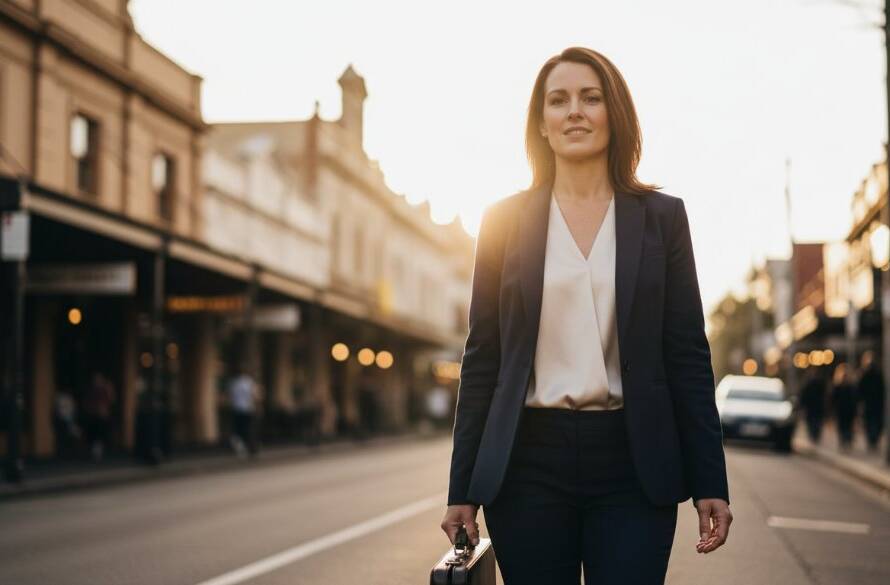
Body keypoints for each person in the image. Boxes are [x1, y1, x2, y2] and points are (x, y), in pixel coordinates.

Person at [440, 47, 731, 585]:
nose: (574, 110)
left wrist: (710, 479)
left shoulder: (662, 219)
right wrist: (462, 490)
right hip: (527, 465)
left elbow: (687, 353)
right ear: (542, 125)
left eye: (590, 98)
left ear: (613, 115)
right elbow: (483, 358)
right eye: (559, 100)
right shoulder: (503, 221)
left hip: (633, 465)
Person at [228, 366, 261, 457]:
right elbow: (255, 397)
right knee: (249, 430)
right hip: (248, 409)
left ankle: (240, 448)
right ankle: (251, 449)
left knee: (238, 430)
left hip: (237, 409)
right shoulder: (250, 383)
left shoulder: (233, 383)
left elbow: (230, 397)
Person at [82, 372, 115, 462]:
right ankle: (94, 453)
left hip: (102, 416)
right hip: (93, 415)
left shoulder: (105, 389)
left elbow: (110, 400)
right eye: (96, 379)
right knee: (93, 435)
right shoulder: (92, 391)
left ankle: (99, 454)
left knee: (101, 435)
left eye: (99, 379)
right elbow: (87, 402)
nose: (97, 381)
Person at [857, 350, 885, 452]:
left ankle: (872, 441)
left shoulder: (864, 374)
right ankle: (873, 440)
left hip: (870, 404)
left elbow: (859, 390)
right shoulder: (878, 374)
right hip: (876, 404)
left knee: (871, 423)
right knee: (874, 423)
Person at [830, 362, 857, 451]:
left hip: (848, 411)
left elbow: (855, 399)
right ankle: (844, 441)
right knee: (842, 427)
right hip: (841, 410)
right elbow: (833, 399)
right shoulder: (838, 387)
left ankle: (847, 440)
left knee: (848, 427)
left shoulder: (851, 387)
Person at [799, 367, 827, 443]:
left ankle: (815, 436)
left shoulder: (820, 383)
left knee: (816, 423)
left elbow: (825, 395)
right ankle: (813, 436)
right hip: (811, 408)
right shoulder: (808, 383)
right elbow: (803, 395)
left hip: (816, 407)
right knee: (812, 423)